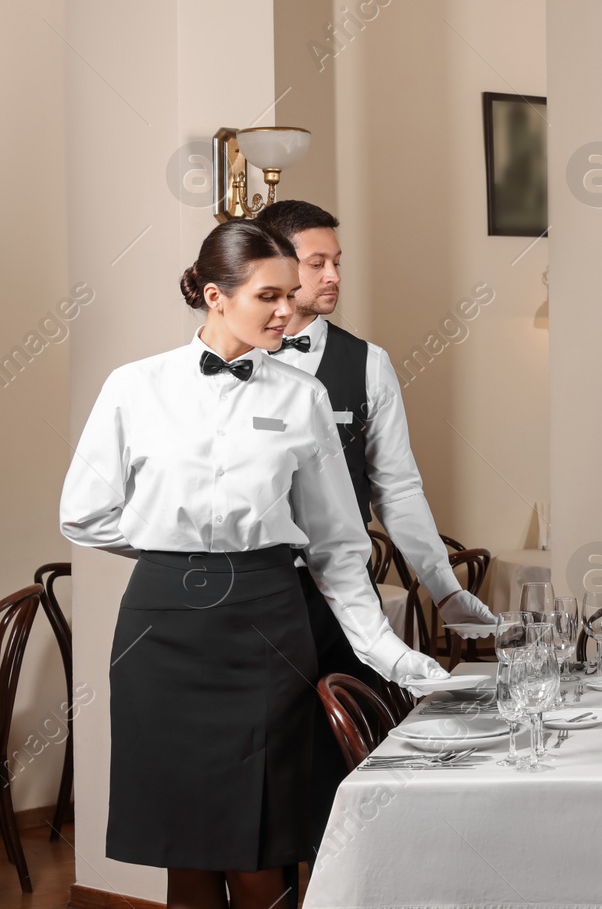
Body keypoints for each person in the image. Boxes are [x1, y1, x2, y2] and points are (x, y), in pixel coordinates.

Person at [59, 220, 447, 909]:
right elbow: (82, 511)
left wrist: (385, 650)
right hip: (162, 627)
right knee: (183, 848)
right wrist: (172, 544)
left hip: (268, 621)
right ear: (215, 294)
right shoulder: (134, 386)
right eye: (270, 295)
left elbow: (336, 545)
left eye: (292, 295)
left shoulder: (303, 396)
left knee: (262, 845)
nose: (287, 311)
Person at [254, 199, 493, 858]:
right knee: (260, 784)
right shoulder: (227, 361)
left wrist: (444, 588)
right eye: (317, 262)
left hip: (340, 600)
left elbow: (398, 489)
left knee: (343, 773)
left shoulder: (367, 363)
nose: (333, 275)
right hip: (251, 599)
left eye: (337, 262)